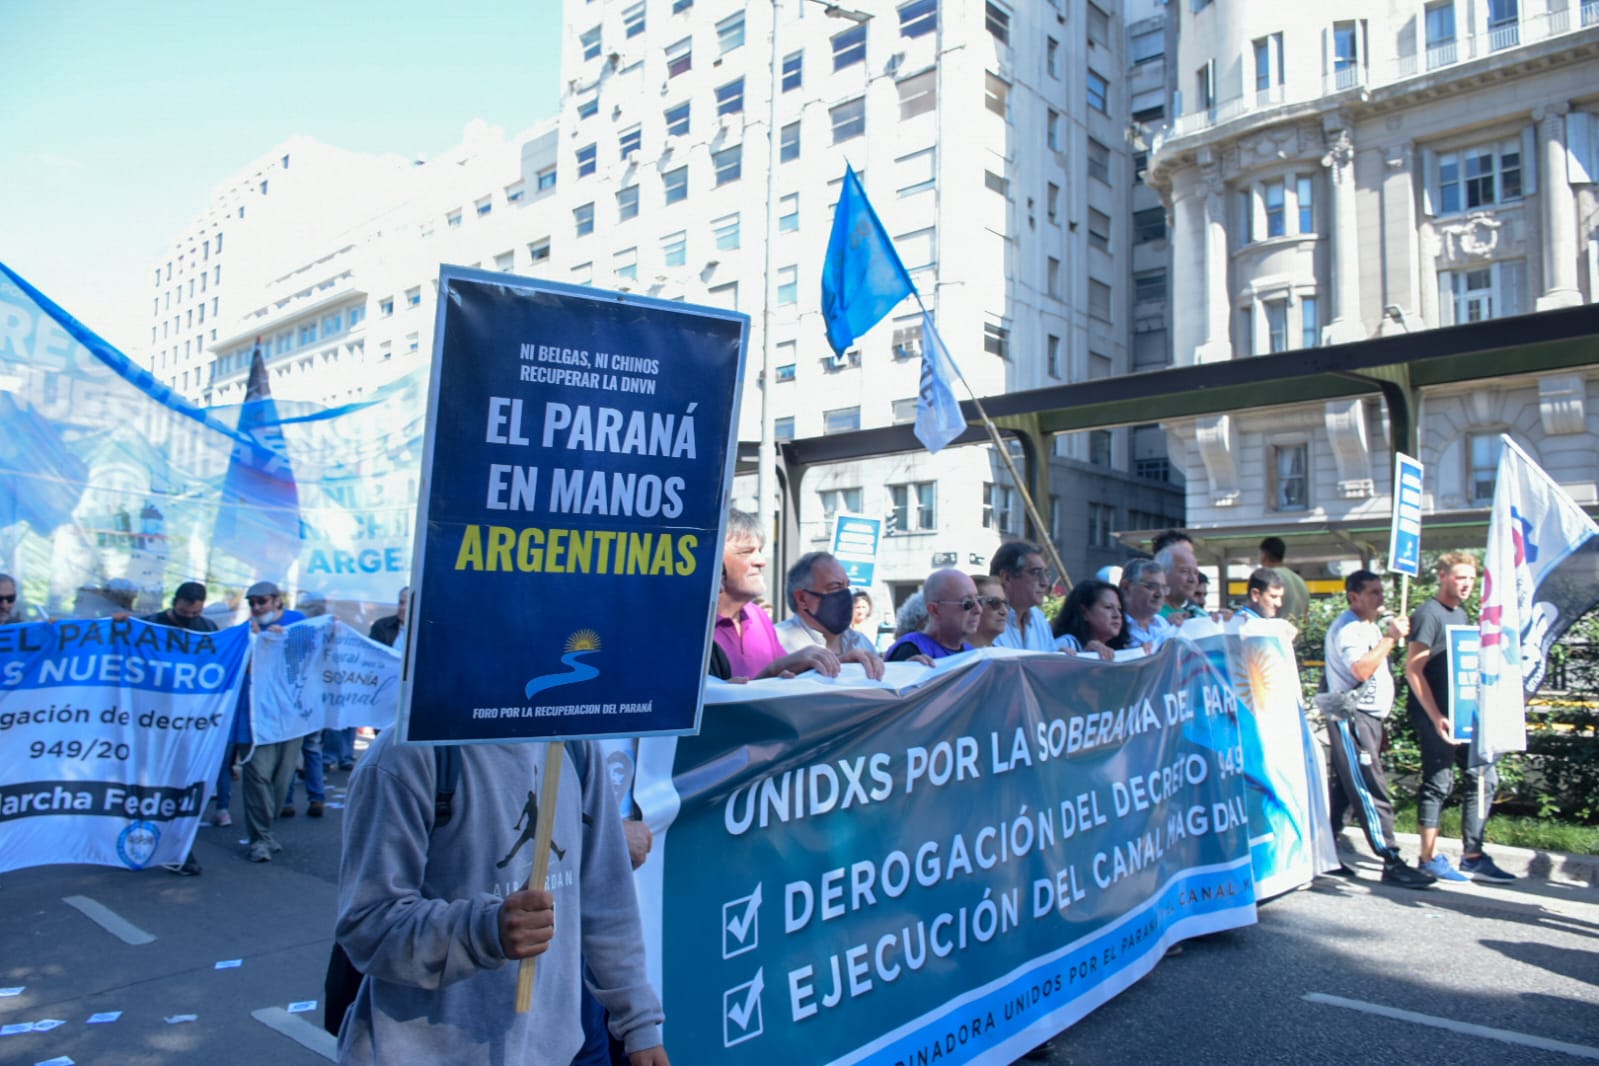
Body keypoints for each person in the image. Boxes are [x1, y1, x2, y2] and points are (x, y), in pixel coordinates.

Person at [335, 732, 669, 1065]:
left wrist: (638, 1023)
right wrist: (485, 931)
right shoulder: (406, 753)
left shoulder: (576, 745)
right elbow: (368, 924)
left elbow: (607, 902)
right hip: (424, 1053)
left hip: (556, 1049)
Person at [1405, 553, 1516, 885]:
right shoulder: (1428, 614)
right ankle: (1427, 858)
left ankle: (1473, 855)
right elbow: (1413, 670)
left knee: (1483, 777)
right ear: (1443, 576)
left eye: (1471, 578)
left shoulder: (1462, 613)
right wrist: (1436, 715)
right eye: (1460, 577)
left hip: (1462, 713)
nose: (1466, 583)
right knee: (1439, 783)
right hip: (1434, 714)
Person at [1323, 571, 1434, 888]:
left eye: (1380, 591)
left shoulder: (1365, 626)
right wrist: (1391, 638)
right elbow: (1360, 669)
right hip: (1352, 717)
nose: (1380, 597)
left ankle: (1325, 851)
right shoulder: (1349, 629)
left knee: (1346, 789)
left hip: (1366, 718)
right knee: (1372, 787)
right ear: (1353, 597)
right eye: (1372, 592)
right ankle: (1391, 858)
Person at [144, 582, 229, 854]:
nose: (189, 620)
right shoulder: (150, 626)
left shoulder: (207, 628)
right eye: (183, 613)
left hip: (191, 721)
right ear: (174, 603)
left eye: (194, 614)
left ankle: (176, 842)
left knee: (183, 779)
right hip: (155, 720)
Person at [713, 508, 840, 680]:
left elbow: (784, 677)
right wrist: (774, 670)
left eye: (760, 550)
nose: (761, 561)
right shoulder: (691, 628)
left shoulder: (758, 616)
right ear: (712, 560)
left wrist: (839, 666)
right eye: (745, 552)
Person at [240, 581, 310, 862]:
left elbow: (313, 654)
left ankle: (266, 831)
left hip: (290, 717)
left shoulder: (299, 623)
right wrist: (255, 643)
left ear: (278, 601)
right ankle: (259, 839)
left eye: (263, 601)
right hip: (256, 720)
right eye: (252, 603)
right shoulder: (245, 631)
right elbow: (244, 671)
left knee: (282, 779)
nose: (257, 607)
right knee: (257, 775)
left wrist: (286, 642)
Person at [774, 552, 885, 679]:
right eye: (835, 587)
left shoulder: (861, 641)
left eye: (847, 587)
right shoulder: (777, 642)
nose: (846, 596)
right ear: (802, 599)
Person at [885, 570, 980, 663]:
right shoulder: (911, 649)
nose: (979, 609)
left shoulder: (971, 652)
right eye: (967, 603)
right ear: (935, 610)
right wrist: (908, 671)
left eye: (979, 600)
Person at [990, 541, 1054, 651]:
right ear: (1007, 578)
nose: (1045, 583)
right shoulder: (984, 619)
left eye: (1046, 574)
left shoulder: (1039, 619)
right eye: (1036, 572)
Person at [1052, 579, 1128, 660]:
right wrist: (1085, 655)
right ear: (1084, 612)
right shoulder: (1065, 644)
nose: (1117, 615)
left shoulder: (1120, 650)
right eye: (1108, 607)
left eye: (1119, 609)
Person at [1119, 560, 1175, 654]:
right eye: (1151, 586)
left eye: (1163, 588)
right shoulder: (1114, 625)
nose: (1159, 594)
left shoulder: (1162, 624)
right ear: (1127, 587)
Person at [1153, 532, 1207, 623]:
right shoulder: (1148, 616)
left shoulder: (1197, 614)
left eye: (1195, 573)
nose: (1193, 579)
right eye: (1185, 571)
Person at [1259, 536, 1311, 623]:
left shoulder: (1268, 577)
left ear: (1264, 555)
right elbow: (1306, 616)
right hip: (1298, 634)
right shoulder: (1299, 580)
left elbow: (1262, 612)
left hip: (1276, 634)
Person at [967, 577, 1009, 649]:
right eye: (995, 603)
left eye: (1005, 603)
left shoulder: (1005, 656)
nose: (1004, 611)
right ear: (974, 607)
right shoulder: (954, 657)